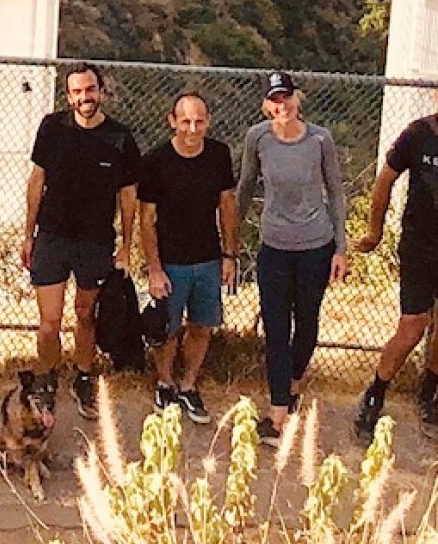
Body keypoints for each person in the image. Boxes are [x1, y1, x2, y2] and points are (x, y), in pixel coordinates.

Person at [22, 63, 140, 420]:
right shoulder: (52, 128)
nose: (84, 98)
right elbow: (36, 182)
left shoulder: (120, 138)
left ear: (100, 91)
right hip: (53, 237)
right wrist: (28, 235)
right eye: (76, 92)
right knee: (49, 322)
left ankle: (84, 378)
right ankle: (46, 380)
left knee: (86, 314)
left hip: (95, 240)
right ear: (68, 95)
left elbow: (129, 195)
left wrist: (126, 244)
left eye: (89, 90)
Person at [237, 71, 347, 447]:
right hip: (275, 247)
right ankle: (278, 410)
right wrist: (230, 240)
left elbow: (336, 192)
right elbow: (245, 187)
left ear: (297, 99)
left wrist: (341, 248)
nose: (281, 106)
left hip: (316, 245)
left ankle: (294, 381)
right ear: (266, 104)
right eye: (274, 100)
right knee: (276, 327)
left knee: (307, 321)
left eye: (286, 97)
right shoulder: (258, 138)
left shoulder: (319, 140)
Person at [139, 92, 239, 425]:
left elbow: (227, 206)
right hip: (170, 262)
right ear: (173, 122)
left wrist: (230, 255)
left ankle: (188, 385)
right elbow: (146, 219)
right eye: (186, 121)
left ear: (208, 122)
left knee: (201, 326)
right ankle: (165, 382)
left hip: (209, 259)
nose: (193, 128)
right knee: (167, 328)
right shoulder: (155, 161)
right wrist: (154, 268)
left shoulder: (219, 155)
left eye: (199, 121)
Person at [351, 102, 438, 442]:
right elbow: (385, 180)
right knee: (413, 326)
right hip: (419, 247)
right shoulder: (417, 135)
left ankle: (429, 392)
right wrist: (375, 232)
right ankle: (376, 393)